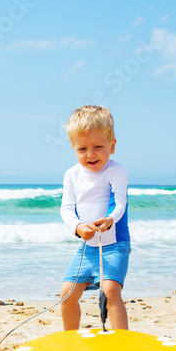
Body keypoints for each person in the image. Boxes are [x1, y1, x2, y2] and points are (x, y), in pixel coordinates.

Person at [59, 105, 130, 331]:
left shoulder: (116, 171)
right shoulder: (72, 175)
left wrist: (109, 220)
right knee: (67, 292)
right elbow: (66, 209)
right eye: (82, 149)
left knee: (110, 290)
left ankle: (122, 339)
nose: (90, 154)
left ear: (113, 145)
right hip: (87, 248)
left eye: (98, 147)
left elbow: (120, 203)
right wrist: (78, 228)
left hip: (115, 245)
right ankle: (70, 337)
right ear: (73, 148)